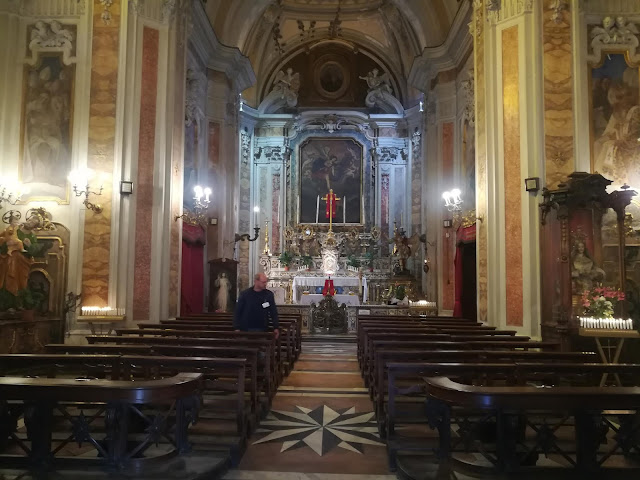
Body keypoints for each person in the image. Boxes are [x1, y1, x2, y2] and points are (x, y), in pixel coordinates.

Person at [233, 272, 279, 338]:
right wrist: (236, 327)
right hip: (246, 328)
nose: (265, 284)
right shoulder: (245, 294)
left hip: (262, 328)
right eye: (263, 282)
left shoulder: (268, 295)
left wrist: (276, 327)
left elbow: (273, 312)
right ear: (256, 281)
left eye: (266, 282)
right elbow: (237, 311)